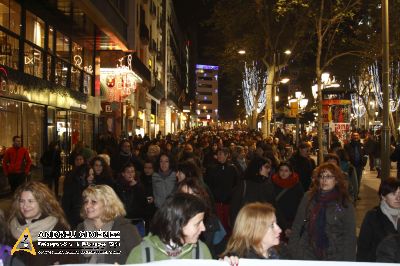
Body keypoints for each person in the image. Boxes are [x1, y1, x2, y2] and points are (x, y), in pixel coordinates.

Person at [288, 162, 356, 261]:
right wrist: (294, 250)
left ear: (336, 180)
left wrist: (348, 261)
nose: (324, 180)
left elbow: (350, 236)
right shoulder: (308, 197)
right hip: (307, 252)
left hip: (335, 255)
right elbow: (297, 225)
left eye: (329, 177)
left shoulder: (345, 202)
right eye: (321, 176)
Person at [126, 193, 212, 263]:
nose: (203, 228)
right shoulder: (142, 254)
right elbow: (113, 255)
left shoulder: (201, 252)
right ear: (178, 224)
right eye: (197, 223)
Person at [8, 181, 74, 265]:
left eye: (30, 201)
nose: (25, 206)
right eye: (22, 201)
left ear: (41, 202)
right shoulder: (13, 226)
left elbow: (71, 259)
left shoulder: (58, 228)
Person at [76, 185, 142, 264]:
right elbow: (73, 259)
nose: (87, 206)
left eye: (93, 202)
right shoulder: (81, 228)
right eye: (86, 201)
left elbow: (140, 259)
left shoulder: (125, 228)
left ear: (107, 204)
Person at [356, 177, 400, 262]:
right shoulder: (372, 217)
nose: (398, 198)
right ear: (383, 196)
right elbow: (363, 249)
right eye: (393, 194)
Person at [230, 156, 276, 225]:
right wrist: (235, 225)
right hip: (246, 226)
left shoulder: (268, 185)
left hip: (263, 225)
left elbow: (274, 207)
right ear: (258, 167)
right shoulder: (244, 185)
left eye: (269, 167)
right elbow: (234, 208)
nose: (269, 170)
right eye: (266, 167)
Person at [204, 147, 240, 233]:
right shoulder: (212, 168)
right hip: (216, 201)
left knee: (229, 222)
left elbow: (237, 183)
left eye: (221, 154)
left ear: (226, 155)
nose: (219, 156)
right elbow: (208, 183)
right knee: (219, 223)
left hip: (228, 201)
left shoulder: (232, 168)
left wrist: (232, 195)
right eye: (218, 154)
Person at [271, 162, 304, 237]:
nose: (283, 173)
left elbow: (301, 201)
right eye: (281, 170)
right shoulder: (273, 184)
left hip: (292, 219)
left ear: (290, 172)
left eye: (286, 171)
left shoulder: (296, 184)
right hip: (276, 218)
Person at [61, 162, 89, 228]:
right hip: (75, 222)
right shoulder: (75, 189)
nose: (92, 177)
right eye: (89, 174)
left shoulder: (91, 187)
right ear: (82, 176)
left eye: (93, 174)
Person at [344, 132, 367, 198]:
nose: (355, 137)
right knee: (351, 180)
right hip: (351, 166)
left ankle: (356, 194)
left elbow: (365, 154)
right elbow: (346, 155)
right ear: (352, 137)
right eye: (354, 135)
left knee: (358, 180)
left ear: (359, 136)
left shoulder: (361, 145)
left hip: (359, 166)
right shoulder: (347, 146)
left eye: (357, 135)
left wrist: (363, 162)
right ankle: (351, 194)